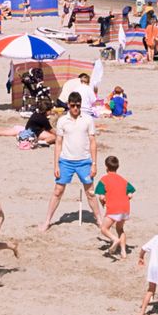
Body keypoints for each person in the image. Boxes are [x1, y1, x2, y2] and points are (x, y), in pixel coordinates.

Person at [39, 92, 102, 232]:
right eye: (72, 106)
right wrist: (56, 165)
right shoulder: (62, 121)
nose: (75, 108)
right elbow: (58, 143)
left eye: (78, 106)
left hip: (84, 161)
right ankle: (47, 221)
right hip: (66, 161)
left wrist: (94, 164)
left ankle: (99, 220)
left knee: (90, 192)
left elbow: (93, 142)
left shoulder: (88, 119)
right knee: (58, 191)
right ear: (68, 105)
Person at [95, 155, 136, 258]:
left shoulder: (104, 180)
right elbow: (130, 194)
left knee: (104, 228)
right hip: (125, 208)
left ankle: (114, 239)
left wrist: (103, 203)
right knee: (120, 229)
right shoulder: (123, 180)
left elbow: (101, 196)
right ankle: (123, 252)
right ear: (117, 167)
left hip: (114, 208)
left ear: (106, 167)